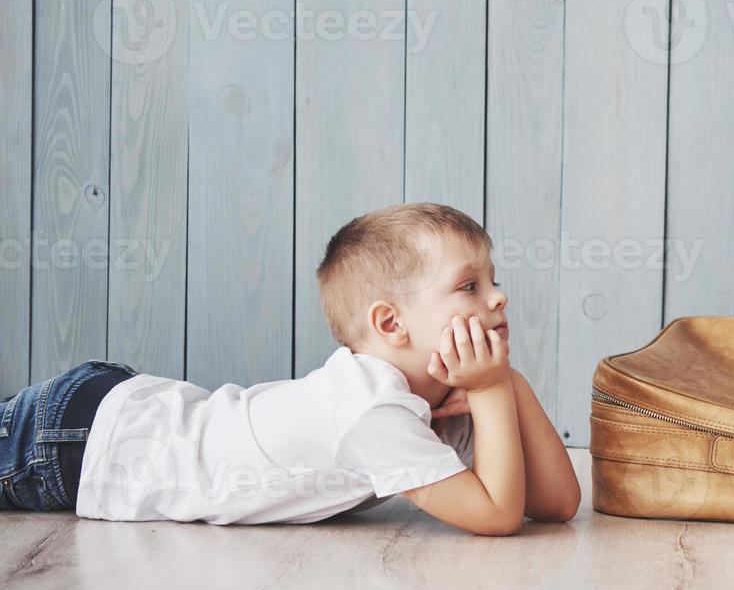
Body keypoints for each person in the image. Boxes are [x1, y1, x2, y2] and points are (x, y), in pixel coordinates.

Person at [0, 203, 580, 534]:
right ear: (390, 324)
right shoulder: (373, 411)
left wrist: (507, 383)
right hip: (86, 443)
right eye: (469, 286)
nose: (498, 299)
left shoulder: (444, 396)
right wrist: (493, 386)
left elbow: (554, 504)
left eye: (494, 281)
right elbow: (498, 516)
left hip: (116, 410)